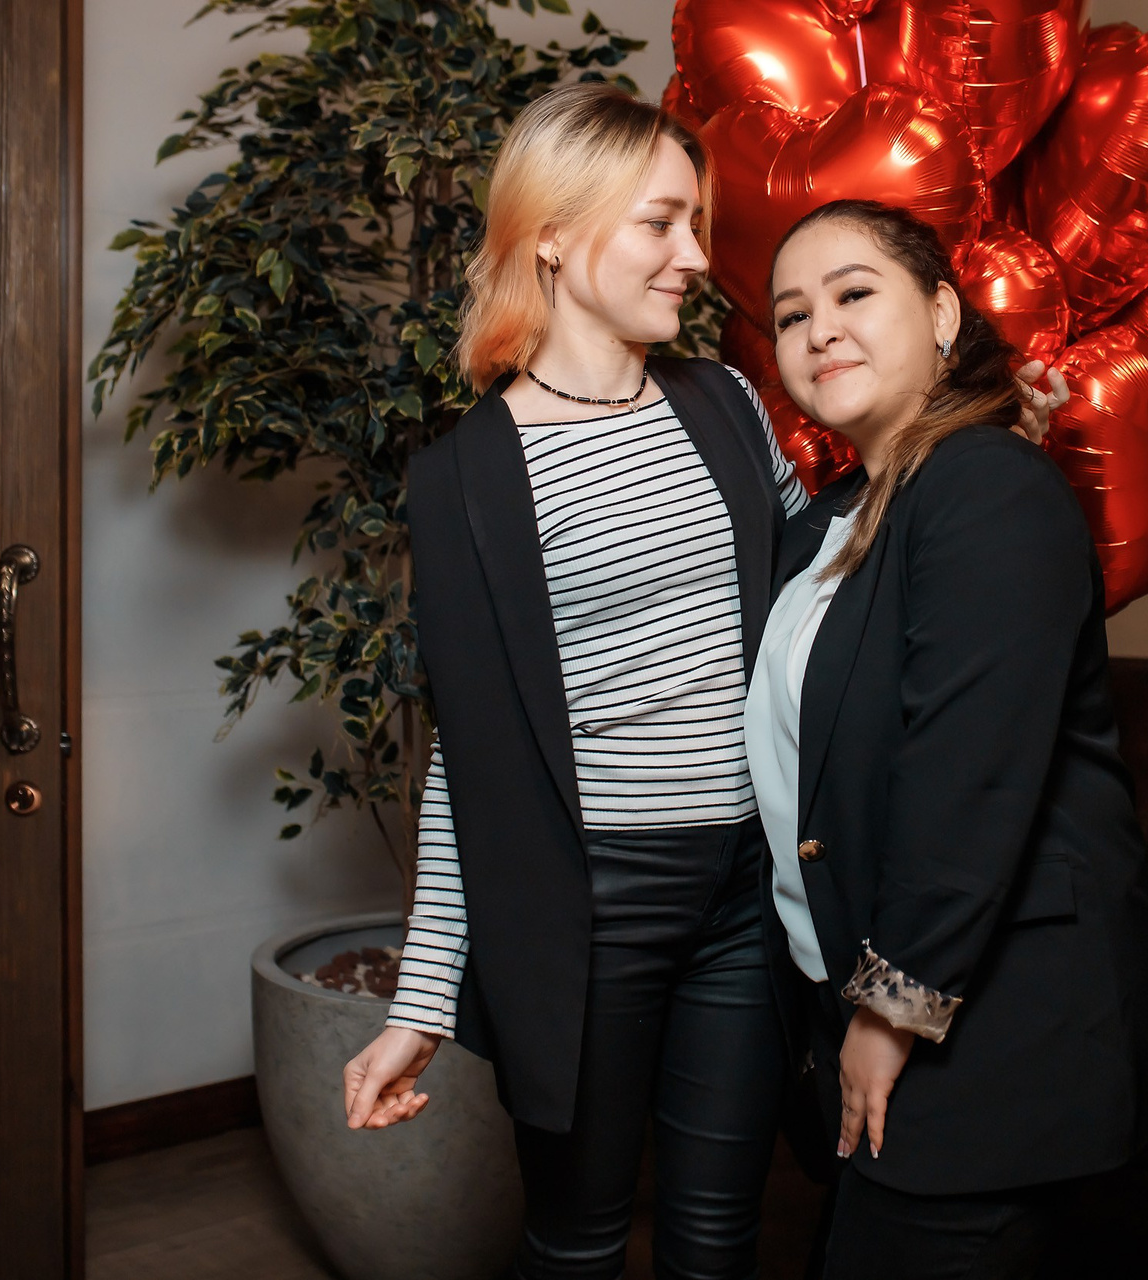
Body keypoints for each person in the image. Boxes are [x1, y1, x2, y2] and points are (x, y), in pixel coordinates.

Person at [340, 82, 806, 1280]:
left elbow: (825, 583)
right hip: (587, 908)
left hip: (748, 888)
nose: (694, 256)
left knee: (721, 1240)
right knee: (580, 1242)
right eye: (661, 223)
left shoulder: (724, 403)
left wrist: (958, 449)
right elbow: (474, 763)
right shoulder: (464, 481)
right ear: (551, 232)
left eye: (695, 223)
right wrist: (421, 1002)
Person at [746, 199, 1148, 1279]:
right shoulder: (826, 521)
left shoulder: (987, 485)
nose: (819, 329)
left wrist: (889, 1011)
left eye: (853, 293)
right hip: (859, 1009)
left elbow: (968, 779)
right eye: (791, 315)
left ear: (942, 313)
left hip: (989, 1029)